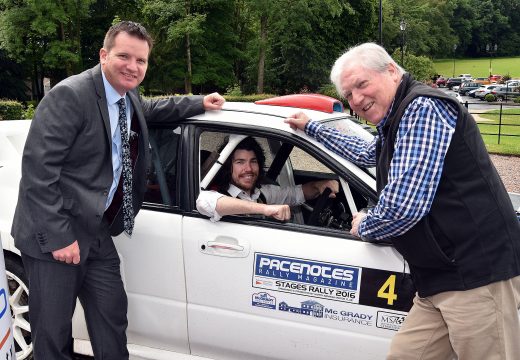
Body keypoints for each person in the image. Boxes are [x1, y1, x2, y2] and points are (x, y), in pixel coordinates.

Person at [285, 43, 520, 360]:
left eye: (361, 84)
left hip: (476, 276)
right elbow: (369, 153)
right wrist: (312, 127)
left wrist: (365, 224)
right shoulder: (397, 120)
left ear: (391, 71)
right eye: (348, 94)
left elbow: (403, 207)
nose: (355, 100)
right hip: (440, 277)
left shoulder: (422, 109)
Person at [11, 21, 225, 360]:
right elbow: (39, 174)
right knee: (52, 335)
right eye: (124, 56)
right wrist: (60, 237)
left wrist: (198, 102)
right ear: (103, 55)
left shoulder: (126, 95)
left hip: (96, 232)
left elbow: (151, 111)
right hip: (55, 235)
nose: (133, 66)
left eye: (141, 61)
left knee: (111, 318)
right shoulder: (70, 95)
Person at [196, 136, 338, 222]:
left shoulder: (262, 193)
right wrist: (265, 209)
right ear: (228, 166)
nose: (249, 169)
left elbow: (296, 193)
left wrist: (320, 185)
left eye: (253, 161)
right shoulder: (218, 193)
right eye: (240, 162)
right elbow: (204, 202)